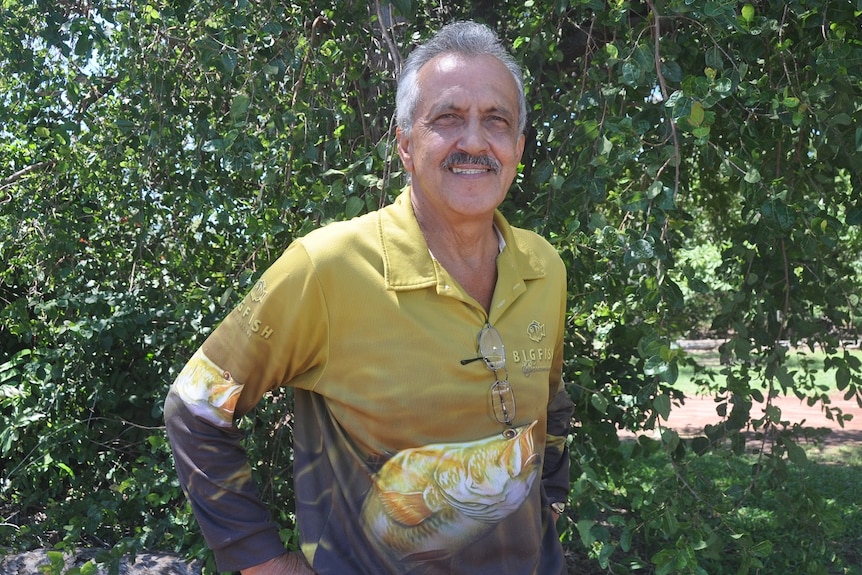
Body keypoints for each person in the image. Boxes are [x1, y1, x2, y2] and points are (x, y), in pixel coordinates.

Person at [164, 20, 574, 575]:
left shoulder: (543, 266)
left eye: (496, 121)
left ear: (518, 147)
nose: (475, 141)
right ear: (406, 144)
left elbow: (549, 401)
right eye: (447, 119)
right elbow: (195, 404)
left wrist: (550, 496)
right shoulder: (326, 267)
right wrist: (257, 559)